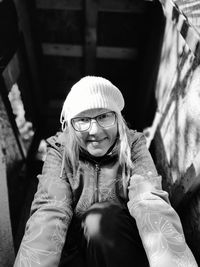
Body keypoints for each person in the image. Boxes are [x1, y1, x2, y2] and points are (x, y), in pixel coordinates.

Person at [14, 76, 197, 267]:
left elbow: (149, 201)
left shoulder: (133, 146)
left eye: (103, 116)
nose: (95, 130)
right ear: (70, 124)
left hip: (122, 252)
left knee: (101, 219)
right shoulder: (59, 150)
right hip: (74, 254)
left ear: (117, 117)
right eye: (83, 119)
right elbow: (50, 208)